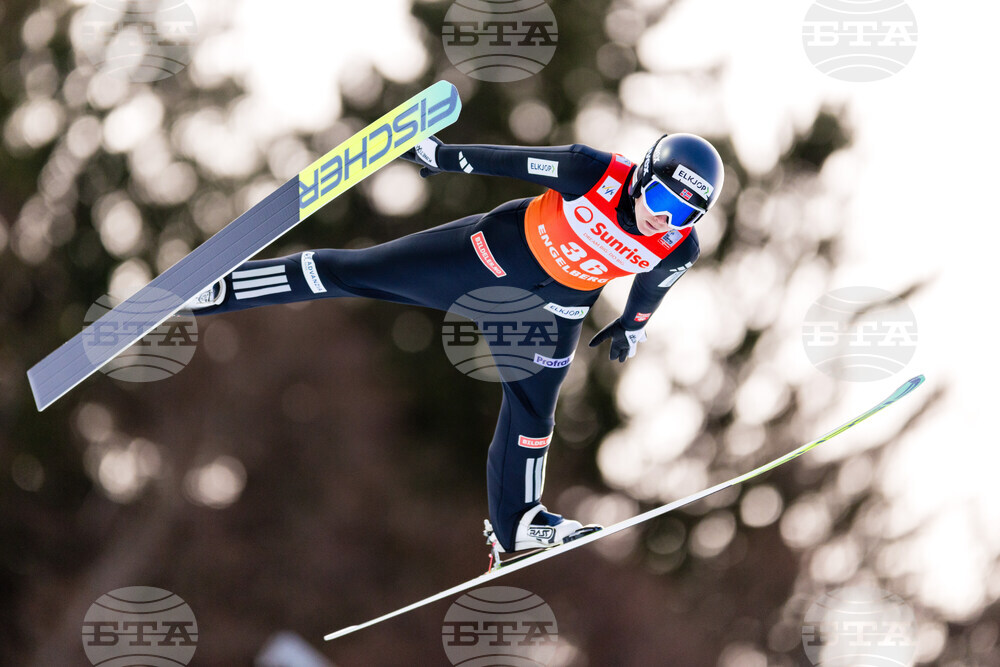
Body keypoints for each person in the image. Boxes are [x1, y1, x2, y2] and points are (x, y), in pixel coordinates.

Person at [186, 133, 725, 557]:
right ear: (643, 177)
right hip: (483, 261)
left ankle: (519, 522)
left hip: (546, 316)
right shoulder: (592, 171)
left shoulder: (677, 246)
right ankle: (220, 290)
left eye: (684, 214)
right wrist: (443, 157)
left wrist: (632, 323)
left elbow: (651, 287)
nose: (664, 218)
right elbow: (513, 162)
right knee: (351, 271)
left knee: (534, 414)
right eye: (662, 199)